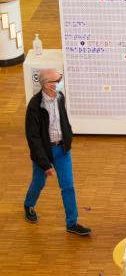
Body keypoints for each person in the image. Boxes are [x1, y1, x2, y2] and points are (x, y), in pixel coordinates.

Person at [24, 69, 91, 236]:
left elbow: (63, 120)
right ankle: (28, 204)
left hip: (62, 150)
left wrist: (68, 137)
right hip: (44, 153)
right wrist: (45, 164)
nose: (60, 81)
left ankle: (72, 223)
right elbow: (33, 138)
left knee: (68, 187)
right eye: (57, 79)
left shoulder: (60, 97)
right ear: (47, 85)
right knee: (39, 183)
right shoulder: (34, 106)